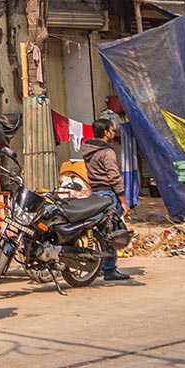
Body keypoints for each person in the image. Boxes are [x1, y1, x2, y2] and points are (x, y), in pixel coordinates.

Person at [78, 119, 133, 282]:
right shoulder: (107, 152)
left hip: (94, 194)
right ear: (106, 132)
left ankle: (100, 267)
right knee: (112, 232)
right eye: (112, 130)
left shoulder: (87, 149)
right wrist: (123, 200)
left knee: (100, 232)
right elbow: (114, 177)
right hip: (107, 195)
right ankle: (109, 269)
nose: (114, 133)